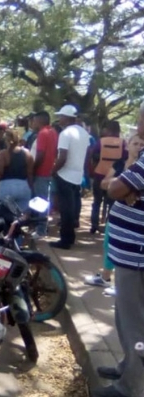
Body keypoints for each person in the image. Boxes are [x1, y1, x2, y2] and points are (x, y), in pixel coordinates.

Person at [91, 104, 144, 397]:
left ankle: (130, 387)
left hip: (136, 256)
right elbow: (119, 187)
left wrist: (123, 183)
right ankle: (129, 366)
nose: (137, 127)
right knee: (126, 318)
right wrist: (125, 185)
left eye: (140, 121)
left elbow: (112, 189)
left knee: (135, 323)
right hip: (130, 254)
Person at [84, 134, 144, 293]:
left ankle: (114, 282)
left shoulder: (141, 166)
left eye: (141, 144)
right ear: (127, 146)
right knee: (109, 244)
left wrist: (129, 187)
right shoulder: (119, 165)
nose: (138, 146)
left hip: (135, 224)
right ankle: (106, 277)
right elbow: (104, 183)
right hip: (117, 214)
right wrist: (127, 187)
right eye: (135, 143)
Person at [49, 104, 90, 250]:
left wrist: (53, 170)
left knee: (65, 209)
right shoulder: (84, 133)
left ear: (67, 117)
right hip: (77, 174)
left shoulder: (65, 134)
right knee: (71, 208)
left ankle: (65, 240)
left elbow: (62, 157)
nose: (59, 119)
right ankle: (70, 237)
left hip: (65, 174)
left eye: (61, 116)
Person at [90, 121, 127, 234]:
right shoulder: (123, 143)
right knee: (111, 202)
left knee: (97, 201)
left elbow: (93, 155)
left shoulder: (101, 141)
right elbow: (125, 158)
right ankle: (108, 226)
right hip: (114, 178)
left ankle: (94, 225)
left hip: (100, 174)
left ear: (108, 129)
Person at [0, 129, 34, 212]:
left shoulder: (3, 153)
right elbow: (30, 173)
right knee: (22, 216)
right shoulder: (27, 153)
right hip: (23, 186)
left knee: (5, 214)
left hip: (5, 187)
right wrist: (31, 188)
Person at [30, 111, 58, 238]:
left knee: (40, 201)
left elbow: (40, 155)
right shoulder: (53, 132)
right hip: (50, 171)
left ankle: (41, 230)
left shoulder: (42, 133)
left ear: (40, 121)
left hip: (41, 172)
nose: (33, 123)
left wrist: (33, 169)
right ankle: (41, 227)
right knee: (46, 200)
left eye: (35, 121)